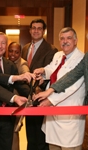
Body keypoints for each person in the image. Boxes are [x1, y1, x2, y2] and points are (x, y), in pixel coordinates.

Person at [33, 27, 85, 150]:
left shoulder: (81, 59)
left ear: (76, 40)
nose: (65, 41)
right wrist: (43, 71)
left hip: (69, 112)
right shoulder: (58, 55)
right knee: (53, 146)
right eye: (62, 38)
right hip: (53, 115)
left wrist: (50, 100)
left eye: (69, 38)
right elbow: (53, 69)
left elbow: (72, 86)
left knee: (69, 146)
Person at [21, 18, 58, 150]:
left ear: (43, 31)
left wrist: (38, 91)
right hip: (26, 96)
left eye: (39, 28)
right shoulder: (25, 48)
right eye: (34, 28)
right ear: (30, 30)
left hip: (41, 96)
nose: (36, 31)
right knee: (30, 133)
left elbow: (50, 74)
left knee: (41, 135)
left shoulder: (51, 49)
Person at [8, 42, 30, 150]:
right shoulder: (6, 62)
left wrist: (24, 76)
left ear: (20, 53)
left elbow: (25, 73)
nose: (13, 54)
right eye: (11, 51)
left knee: (13, 132)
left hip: (17, 104)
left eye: (16, 52)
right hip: (6, 102)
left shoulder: (22, 64)